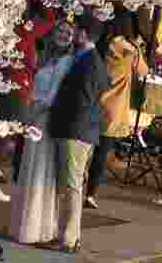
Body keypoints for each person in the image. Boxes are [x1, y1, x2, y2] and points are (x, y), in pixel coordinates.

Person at [42, 19, 110, 253]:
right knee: (68, 183)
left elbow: (85, 100)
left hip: (76, 131)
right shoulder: (88, 59)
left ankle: (69, 239)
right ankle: (66, 235)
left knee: (71, 185)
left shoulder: (90, 63)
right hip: (76, 130)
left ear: (84, 34)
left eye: (77, 31)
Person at [9, 23, 75, 244]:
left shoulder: (67, 61)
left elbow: (54, 93)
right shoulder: (46, 58)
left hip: (45, 117)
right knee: (29, 166)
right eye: (60, 31)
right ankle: (23, 224)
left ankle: (37, 227)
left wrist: (36, 112)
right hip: (34, 113)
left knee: (40, 169)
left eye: (69, 33)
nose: (64, 36)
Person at [85, 12, 148, 209]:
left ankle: (73, 185)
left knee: (83, 149)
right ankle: (90, 193)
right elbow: (143, 71)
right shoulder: (131, 49)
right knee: (101, 153)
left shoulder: (100, 44)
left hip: (93, 101)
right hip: (114, 106)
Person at [4, 0, 58, 182]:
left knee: (9, 132)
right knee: (15, 132)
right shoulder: (24, 30)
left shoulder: (17, 28)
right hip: (19, 84)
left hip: (14, 82)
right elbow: (49, 22)